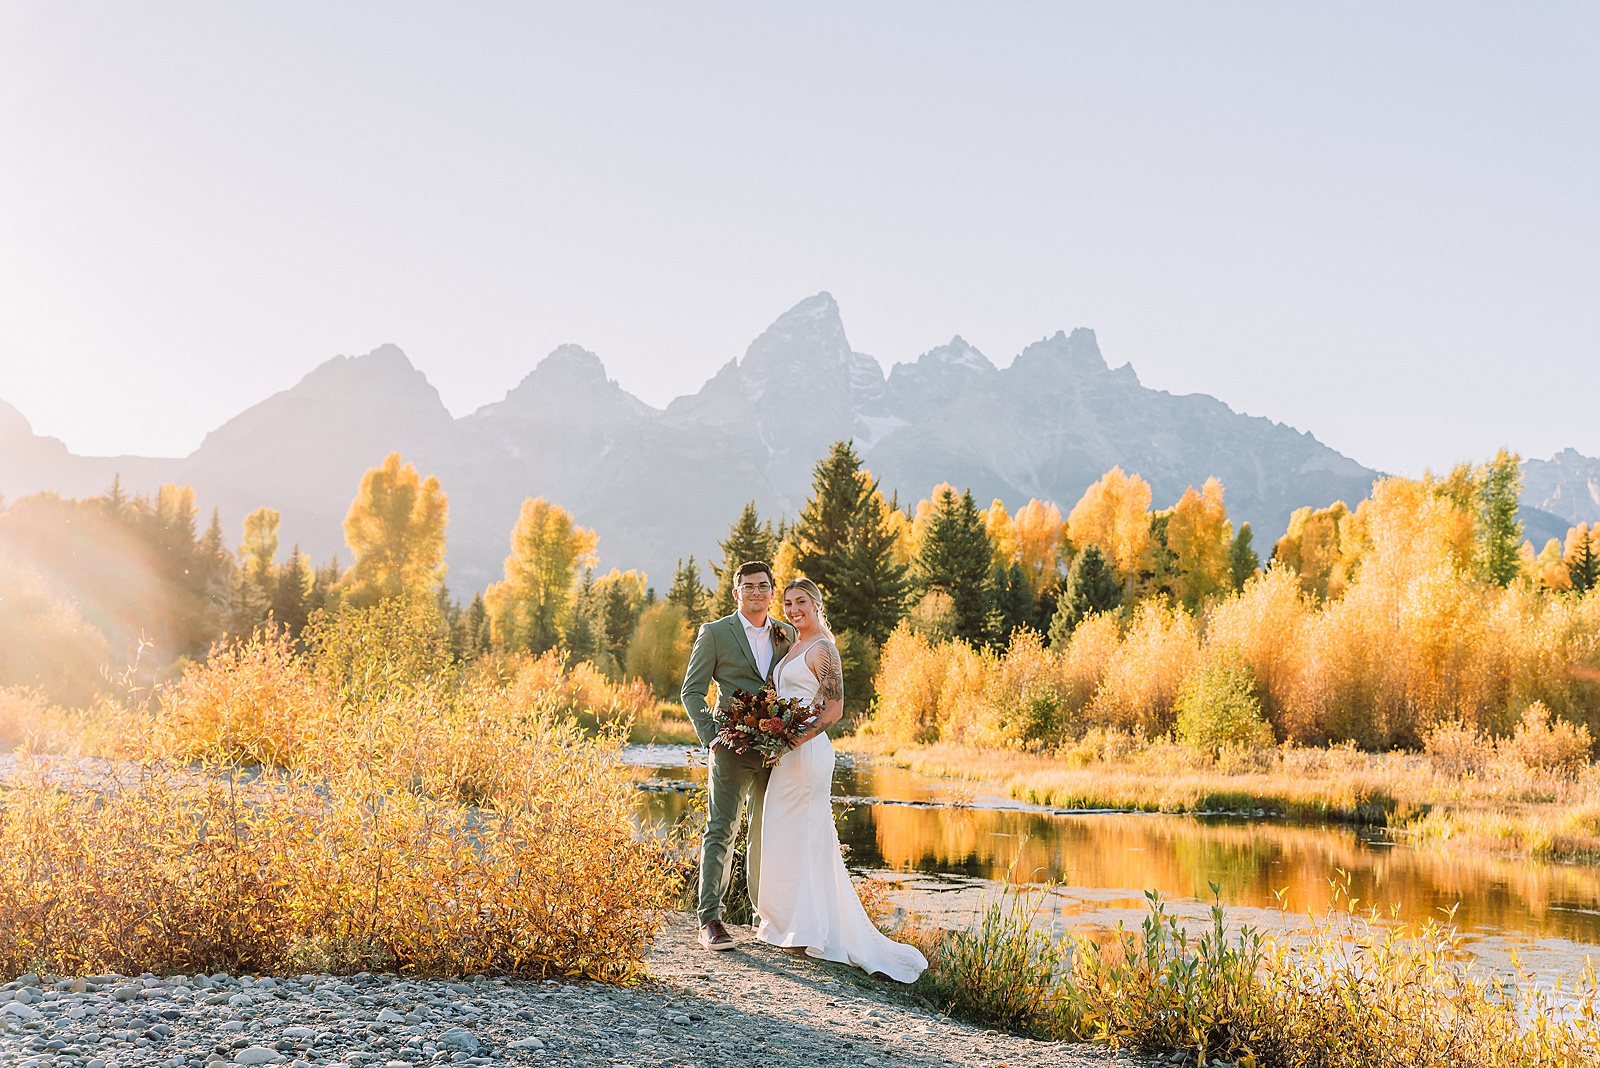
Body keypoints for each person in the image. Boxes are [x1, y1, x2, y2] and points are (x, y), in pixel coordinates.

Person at [755, 578, 927, 983]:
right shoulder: (792, 646)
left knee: (810, 836)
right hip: (785, 754)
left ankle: (810, 931)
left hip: (808, 754)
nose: (794, 609)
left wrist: (792, 740)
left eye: (801, 602)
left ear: (816, 604)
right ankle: (784, 924)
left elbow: (833, 710)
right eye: (789, 603)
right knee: (781, 833)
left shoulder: (823, 649)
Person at [680, 560, 795, 951]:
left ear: (772, 591)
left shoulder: (787, 633)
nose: (757, 592)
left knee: (768, 833)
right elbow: (691, 691)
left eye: (763, 586)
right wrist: (712, 737)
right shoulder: (714, 634)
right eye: (749, 587)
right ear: (737, 593)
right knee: (722, 830)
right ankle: (710, 919)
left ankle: (766, 919)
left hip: (776, 753)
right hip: (730, 749)